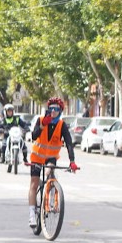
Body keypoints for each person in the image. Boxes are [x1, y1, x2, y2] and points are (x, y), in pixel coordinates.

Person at [28, 97, 79, 227]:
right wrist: (42, 125)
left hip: (51, 158)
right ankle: (32, 214)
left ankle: (51, 199)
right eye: (51, 109)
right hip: (37, 157)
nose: (53, 111)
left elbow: (69, 143)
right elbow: (33, 136)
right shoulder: (41, 120)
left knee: (50, 172)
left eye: (56, 109)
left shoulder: (62, 125)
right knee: (34, 184)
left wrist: (72, 161)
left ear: (60, 111)